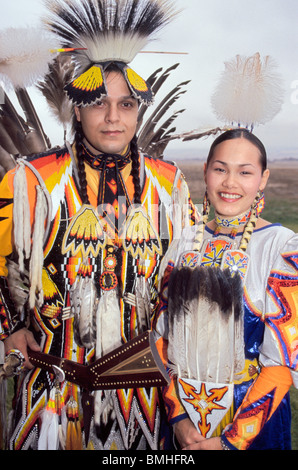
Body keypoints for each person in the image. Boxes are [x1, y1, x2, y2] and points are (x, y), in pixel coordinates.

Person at [0, 0, 197, 450]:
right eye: (99, 103)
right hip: (54, 395)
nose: (113, 117)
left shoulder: (168, 184)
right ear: (77, 109)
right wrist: (9, 326)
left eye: (126, 104)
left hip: (143, 395)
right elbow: (2, 264)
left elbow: (178, 279)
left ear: (138, 111)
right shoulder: (35, 180)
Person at [154, 128, 298, 450]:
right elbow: (161, 337)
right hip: (184, 422)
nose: (230, 183)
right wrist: (178, 418)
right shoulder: (184, 242)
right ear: (205, 172)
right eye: (220, 169)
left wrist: (230, 442)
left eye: (245, 172)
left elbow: (282, 364)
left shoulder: (282, 247)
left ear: (262, 179)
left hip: (253, 427)